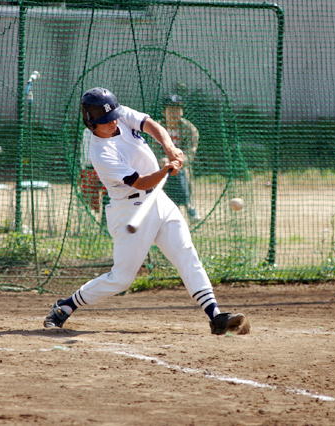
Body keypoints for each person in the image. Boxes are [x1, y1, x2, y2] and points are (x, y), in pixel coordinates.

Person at [43, 87, 249, 335]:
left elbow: (151, 125)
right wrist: (166, 170)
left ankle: (216, 316)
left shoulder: (120, 114)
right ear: (91, 123)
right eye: (106, 121)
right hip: (129, 210)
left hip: (159, 201)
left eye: (113, 117)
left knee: (186, 254)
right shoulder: (100, 152)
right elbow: (140, 182)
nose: (113, 122)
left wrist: (170, 149)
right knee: (121, 279)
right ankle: (66, 306)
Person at [160, 94, 201, 222]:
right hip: (159, 165)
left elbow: (190, 152)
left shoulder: (189, 129)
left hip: (180, 165)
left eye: (177, 109)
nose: (174, 113)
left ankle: (189, 206)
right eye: (171, 110)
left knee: (182, 174)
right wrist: (161, 160)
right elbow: (152, 148)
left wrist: (178, 161)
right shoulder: (157, 127)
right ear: (164, 112)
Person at [79, 127, 107, 214]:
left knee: (108, 194)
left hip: (104, 167)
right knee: (90, 198)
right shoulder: (87, 131)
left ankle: (105, 217)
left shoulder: (108, 129)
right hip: (90, 168)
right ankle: (96, 215)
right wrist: (83, 167)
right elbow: (83, 149)